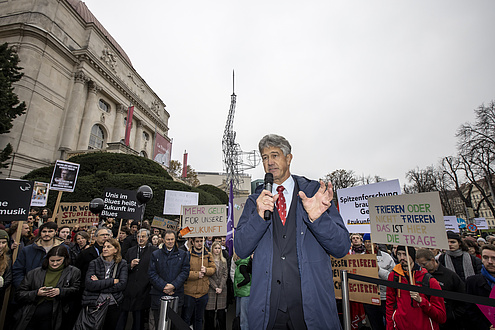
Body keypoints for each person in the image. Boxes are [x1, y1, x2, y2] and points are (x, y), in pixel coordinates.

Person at [234, 134, 350, 329]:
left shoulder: (314, 193)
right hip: (268, 313)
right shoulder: (255, 201)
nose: (269, 162)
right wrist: (259, 217)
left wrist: (317, 218)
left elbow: (341, 247)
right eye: (264, 157)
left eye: (275, 155)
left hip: (311, 311)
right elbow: (241, 249)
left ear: (289, 158)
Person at [14, 245, 81, 330]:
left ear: (65, 259)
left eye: (58, 260)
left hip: (57, 312)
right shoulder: (34, 273)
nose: (55, 263)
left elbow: (76, 290)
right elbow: (19, 294)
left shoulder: (74, 272)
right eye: (52, 260)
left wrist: (60, 291)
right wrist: (36, 293)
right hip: (33, 311)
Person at [386, 246, 446, 330]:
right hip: (401, 326)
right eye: (399, 254)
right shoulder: (393, 276)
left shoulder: (429, 280)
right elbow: (390, 305)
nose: (402, 258)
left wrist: (422, 301)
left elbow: (441, 316)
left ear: (412, 256)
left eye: (405, 254)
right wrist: (390, 327)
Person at [80, 238, 128, 329]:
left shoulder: (122, 264)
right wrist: (111, 281)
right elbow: (89, 284)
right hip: (95, 304)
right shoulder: (94, 263)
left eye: (109, 247)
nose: (105, 249)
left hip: (113, 303)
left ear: (116, 249)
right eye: (104, 247)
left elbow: (121, 285)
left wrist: (99, 283)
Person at [416, 248, 467, 330]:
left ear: (433, 260)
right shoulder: (419, 276)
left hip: (448, 322)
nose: (421, 267)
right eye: (419, 265)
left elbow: (463, 298)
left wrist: (452, 315)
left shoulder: (450, 276)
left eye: (424, 264)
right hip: (428, 319)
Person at [149, 230, 190, 330]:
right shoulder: (155, 254)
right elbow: (151, 273)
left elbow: (185, 272)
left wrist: (173, 285)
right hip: (159, 295)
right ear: (163, 240)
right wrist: (164, 286)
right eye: (168, 239)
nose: (170, 241)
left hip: (176, 295)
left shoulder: (183, 254)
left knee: (175, 325)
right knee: (160, 324)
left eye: (172, 239)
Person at [117, 229, 157, 330]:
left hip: (144, 288)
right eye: (139, 236)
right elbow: (123, 267)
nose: (141, 239)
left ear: (148, 238)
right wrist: (130, 265)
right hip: (130, 288)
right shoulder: (131, 250)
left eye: (143, 236)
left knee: (139, 317)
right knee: (123, 315)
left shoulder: (154, 251)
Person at [12, 222, 67, 288]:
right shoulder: (27, 250)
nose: (47, 234)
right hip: (30, 290)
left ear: (55, 232)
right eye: (44, 231)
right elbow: (18, 271)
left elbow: (68, 271)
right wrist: (23, 287)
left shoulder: (64, 249)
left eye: (50, 231)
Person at [363, 233, 395, 330]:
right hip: (369, 298)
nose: (368, 244)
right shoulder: (361, 258)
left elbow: (393, 277)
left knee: (390, 324)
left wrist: (379, 270)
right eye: (366, 242)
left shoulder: (386, 257)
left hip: (385, 297)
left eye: (370, 241)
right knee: (375, 325)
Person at [182, 237, 216, 330]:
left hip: (203, 292)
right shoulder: (187, 254)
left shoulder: (208, 254)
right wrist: (197, 274)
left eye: (201, 241)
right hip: (189, 293)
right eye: (197, 241)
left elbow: (213, 269)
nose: (199, 243)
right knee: (187, 319)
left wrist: (206, 270)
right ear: (192, 242)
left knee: (199, 319)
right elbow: (183, 272)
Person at [465, 244, 495, 330]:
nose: (489, 261)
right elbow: (470, 310)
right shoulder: (472, 282)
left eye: (494, 258)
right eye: (485, 257)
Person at [205, 242, 228, 330]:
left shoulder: (224, 261)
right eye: (215, 248)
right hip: (211, 290)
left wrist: (221, 287)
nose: (217, 250)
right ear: (212, 249)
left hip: (222, 290)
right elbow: (208, 276)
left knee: (221, 314)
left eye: (219, 248)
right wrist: (215, 287)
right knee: (210, 315)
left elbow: (225, 275)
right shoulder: (208, 261)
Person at [231, 253, 251, 330]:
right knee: (240, 316)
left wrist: (239, 284)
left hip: (244, 293)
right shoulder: (242, 264)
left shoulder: (242, 265)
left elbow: (247, 279)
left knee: (243, 318)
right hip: (241, 293)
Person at [0, 230, 12, 310]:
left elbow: (9, 278)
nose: (1, 246)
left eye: (3, 242)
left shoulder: (7, 259)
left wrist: (2, 284)